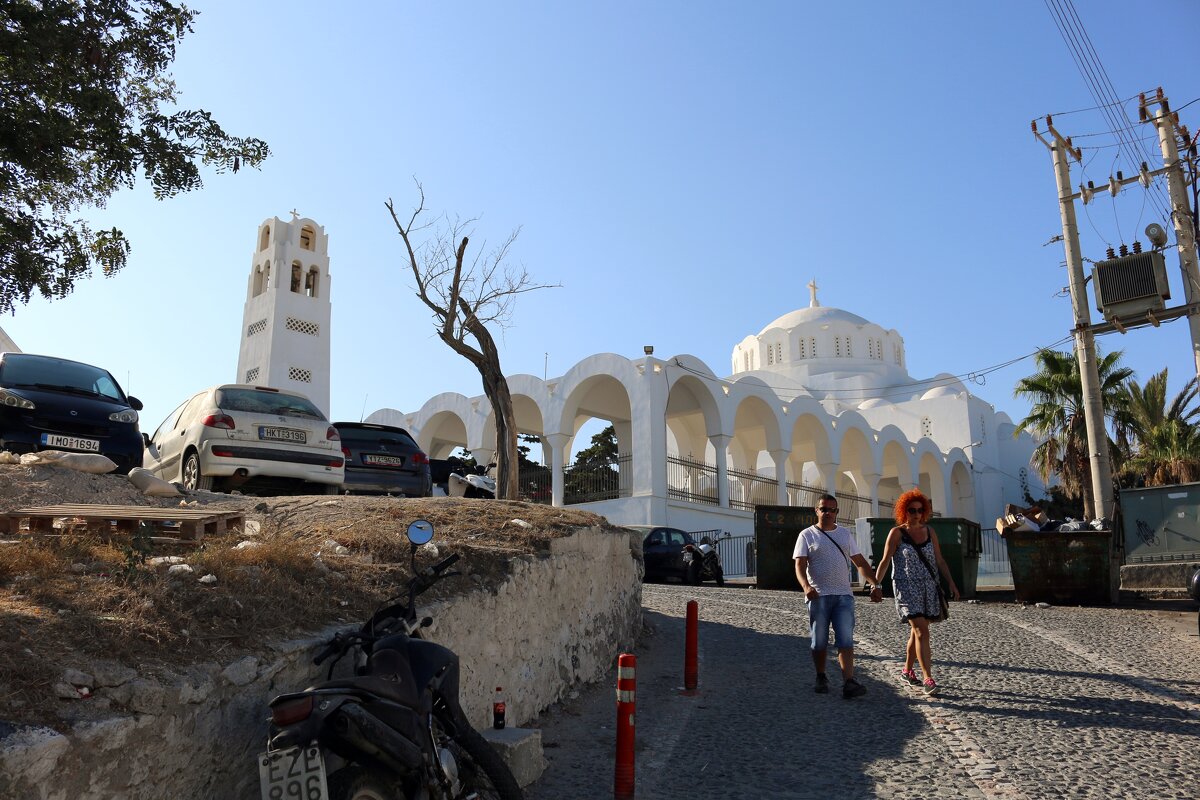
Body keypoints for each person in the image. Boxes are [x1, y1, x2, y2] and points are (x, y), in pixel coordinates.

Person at [793, 494, 883, 699]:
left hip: (843, 595)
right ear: (816, 511)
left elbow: (859, 562)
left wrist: (875, 584)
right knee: (819, 641)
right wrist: (806, 586)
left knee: (846, 640)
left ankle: (848, 682)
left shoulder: (844, 534)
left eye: (832, 510)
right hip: (819, 595)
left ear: (836, 513)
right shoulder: (806, 535)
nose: (827, 513)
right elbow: (799, 565)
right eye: (823, 509)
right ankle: (821, 675)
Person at [872, 489, 961, 696]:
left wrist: (951, 583)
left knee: (917, 631)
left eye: (920, 510)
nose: (916, 514)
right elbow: (885, 561)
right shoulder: (896, 533)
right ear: (905, 511)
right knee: (921, 630)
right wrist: (876, 585)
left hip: (929, 586)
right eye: (912, 510)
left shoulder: (930, 532)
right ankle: (927, 677)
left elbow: (939, 560)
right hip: (906, 587)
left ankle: (907, 670)